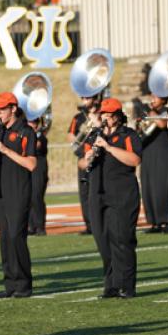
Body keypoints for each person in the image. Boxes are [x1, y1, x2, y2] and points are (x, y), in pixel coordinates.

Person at [78, 98, 142, 298]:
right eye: (104, 114)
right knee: (102, 240)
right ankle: (111, 285)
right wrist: (87, 158)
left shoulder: (128, 135)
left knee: (122, 239)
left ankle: (126, 285)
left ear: (118, 116)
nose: (106, 118)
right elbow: (81, 163)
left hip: (122, 193)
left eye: (110, 114)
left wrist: (108, 147)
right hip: (97, 193)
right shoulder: (94, 135)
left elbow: (134, 160)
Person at [0, 92, 37, 298]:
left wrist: (4, 149)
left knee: (16, 237)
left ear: (13, 109)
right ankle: (10, 284)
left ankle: (23, 284)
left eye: (2, 109)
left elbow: (31, 164)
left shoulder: (26, 132)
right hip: (1, 192)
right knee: (5, 239)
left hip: (19, 191)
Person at [140, 94, 168, 234]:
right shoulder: (148, 112)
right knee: (147, 187)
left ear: (164, 99)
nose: (152, 99)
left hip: (162, 153)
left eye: (156, 97)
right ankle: (153, 222)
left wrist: (149, 111)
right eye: (151, 97)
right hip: (147, 152)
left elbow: (161, 124)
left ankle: (165, 221)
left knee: (162, 186)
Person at [67, 95, 100, 235]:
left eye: (88, 98)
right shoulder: (78, 117)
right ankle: (89, 225)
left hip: (98, 157)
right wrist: (78, 143)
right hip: (83, 157)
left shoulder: (102, 114)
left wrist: (95, 120)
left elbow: (104, 130)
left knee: (96, 192)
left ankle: (99, 224)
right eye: (83, 98)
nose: (85, 100)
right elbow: (70, 135)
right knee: (84, 192)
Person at [28, 118, 48, 236]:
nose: (30, 124)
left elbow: (37, 146)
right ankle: (31, 226)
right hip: (29, 167)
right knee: (28, 197)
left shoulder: (41, 136)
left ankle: (40, 226)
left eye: (33, 122)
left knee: (37, 197)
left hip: (39, 168)